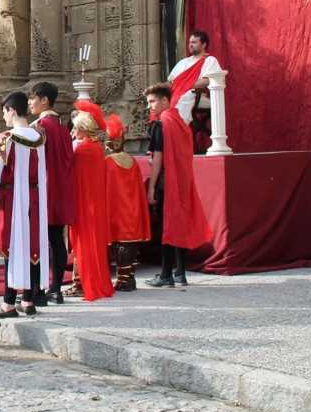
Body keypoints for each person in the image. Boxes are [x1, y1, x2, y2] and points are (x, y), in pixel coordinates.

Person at [0, 91, 48, 318]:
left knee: (10, 246)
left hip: (11, 198)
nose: (4, 118)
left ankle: (8, 303)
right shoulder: (39, 137)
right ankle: (29, 300)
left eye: (4, 112)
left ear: (11, 110)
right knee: (32, 245)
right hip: (35, 197)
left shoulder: (5, 138)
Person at [143, 83, 212, 287]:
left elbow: (158, 158)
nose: (150, 106)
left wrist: (152, 186)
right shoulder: (180, 121)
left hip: (167, 181)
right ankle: (180, 273)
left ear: (165, 100)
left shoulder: (160, 124)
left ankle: (166, 274)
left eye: (153, 101)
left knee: (167, 226)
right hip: (182, 179)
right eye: (148, 102)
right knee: (178, 224)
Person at [27, 82, 74, 304]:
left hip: (44, 189)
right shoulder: (63, 127)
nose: (30, 103)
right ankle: (55, 288)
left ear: (44, 100)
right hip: (62, 188)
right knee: (57, 239)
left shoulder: (40, 126)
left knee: (39, 240)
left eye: (32, 98)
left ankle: (37, 288)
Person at [66, 101, 114, 302]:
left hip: (85, 203)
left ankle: (88, 283)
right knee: (93, 246)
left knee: (84, 245)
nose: (73, 132)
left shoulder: (82, 150)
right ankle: (92, 281)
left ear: (83, 130)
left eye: (76, 128)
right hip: (94, 202)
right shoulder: (95, 148)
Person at [103, 114, 150, 291]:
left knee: (119, 245)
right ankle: (127, 277)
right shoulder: (133, 161)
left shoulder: (107, 162)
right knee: (129, 244)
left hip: (116, 210)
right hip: (133, 209)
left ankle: (123, 280)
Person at [167, 30, 223, 153]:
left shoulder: (210, 61)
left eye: (194, 42)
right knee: (160, 101)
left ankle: (177, 139)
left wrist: (186, 85)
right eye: (189, 42)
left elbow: (208, 80)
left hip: (196, 95)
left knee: (182, 98)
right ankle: (163, 140)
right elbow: (171, 81)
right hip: (179, 93)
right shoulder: (183, 62)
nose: (190, 45)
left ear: (203, 45)